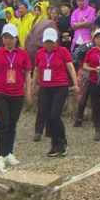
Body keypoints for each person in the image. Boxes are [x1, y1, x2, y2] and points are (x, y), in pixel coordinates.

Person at [0, 24, 32, 170]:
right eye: (5, 37)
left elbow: (27, 73)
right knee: (3, 123)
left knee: (12, 123)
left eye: (11, 38)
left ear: (16, 38)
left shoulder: (23, 54)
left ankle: (9, 151)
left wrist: (28, 92)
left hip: (17, 93)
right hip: (1, 92)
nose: (8, 40)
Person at [33, 28, 79, 157]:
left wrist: (75, 83)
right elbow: (37, 70)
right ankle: (54, 143)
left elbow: (70, 67)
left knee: (54, 115)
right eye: (46, 41)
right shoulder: (40, 53)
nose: (48, 44)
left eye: (51, 42)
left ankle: (62, 141)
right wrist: (33, 86)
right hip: (45, 86)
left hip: (60, 85)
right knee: (48, 115)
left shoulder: (62, 51)